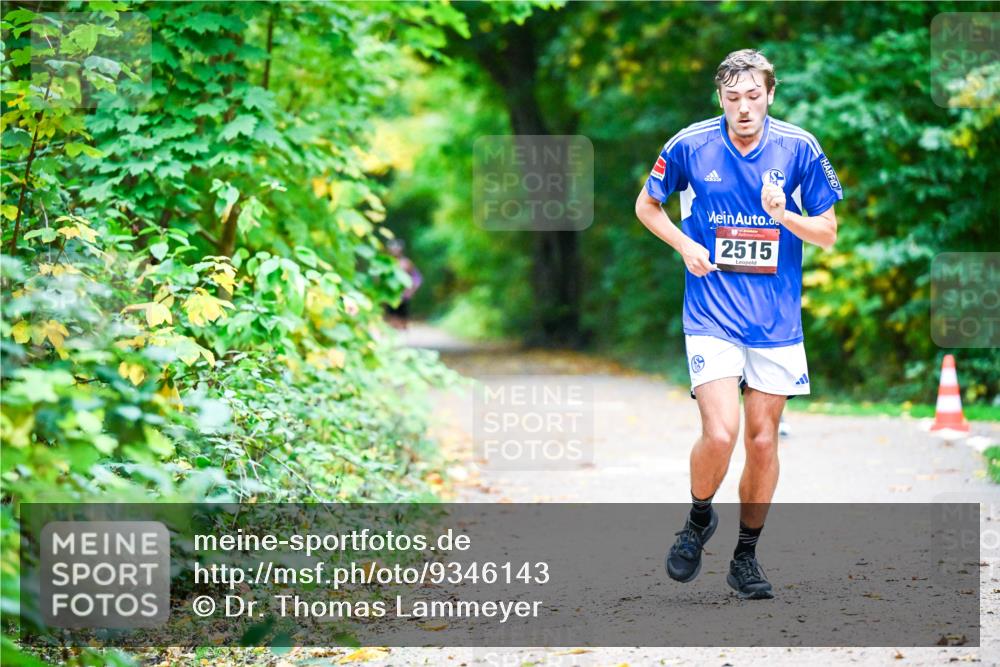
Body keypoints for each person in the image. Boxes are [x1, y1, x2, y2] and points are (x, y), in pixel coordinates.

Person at [634, 49, 843, 599]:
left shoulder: (799, 148)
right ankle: (698, 517)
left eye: (753, 96)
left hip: (775, 319)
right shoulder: (690, 144)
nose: (744, 108)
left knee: (763, 440)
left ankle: (745, 557)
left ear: (770, 94)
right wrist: (685, 246)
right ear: (720, 98)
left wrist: (784, 216)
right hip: (712, 312)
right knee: (721, 432)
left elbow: (827, 232)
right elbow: (647, 206)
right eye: (733, 97)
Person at [385, 238, 422, 330]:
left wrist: (411, 290)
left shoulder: (406, 263)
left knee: (403, 320)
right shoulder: (385, 262)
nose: (394, 251)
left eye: (396, 249)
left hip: (403, 296)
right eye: (392, 249)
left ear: (401, 250)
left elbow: (417, 278)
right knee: (391, 319)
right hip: (390, 295)